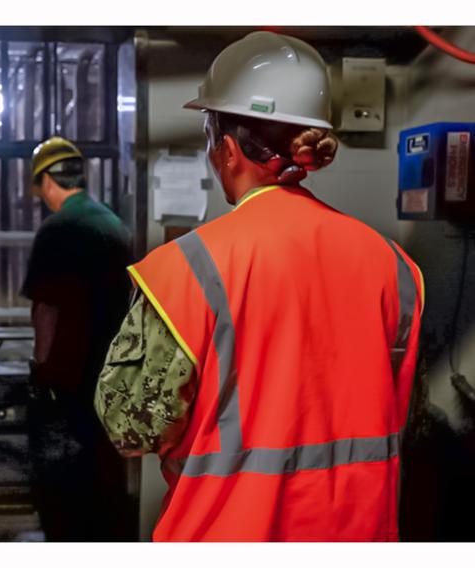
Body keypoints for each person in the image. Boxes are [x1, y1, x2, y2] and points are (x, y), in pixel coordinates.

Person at [95, 31, 425, 541]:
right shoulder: (394, 266)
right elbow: (400, 408)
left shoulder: (187, 266)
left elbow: (131, 426)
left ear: (227, 149)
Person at [21, 136, 135, 541]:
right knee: (104, 500)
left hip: (64, 396)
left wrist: (40, 372)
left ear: (46, 182)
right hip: (111, 391)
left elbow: (47, 313)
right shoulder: (115, 227)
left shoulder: (56, 231)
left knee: (62, 505)